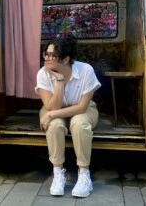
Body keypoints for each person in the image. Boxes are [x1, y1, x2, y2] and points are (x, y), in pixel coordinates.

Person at [35, 36, 101, 198]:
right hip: (54, 108)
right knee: (55, 125)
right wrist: (59, 81)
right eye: (46, 54)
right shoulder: (43, 73)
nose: (48, 59)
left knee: (79, 123)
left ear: (66, 59)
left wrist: (51, 114)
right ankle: (58, 173)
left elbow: (81, 107)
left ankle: (84, 175)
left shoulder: (86, 70)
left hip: (83, 110)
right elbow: (52, 106)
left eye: (53, 55)